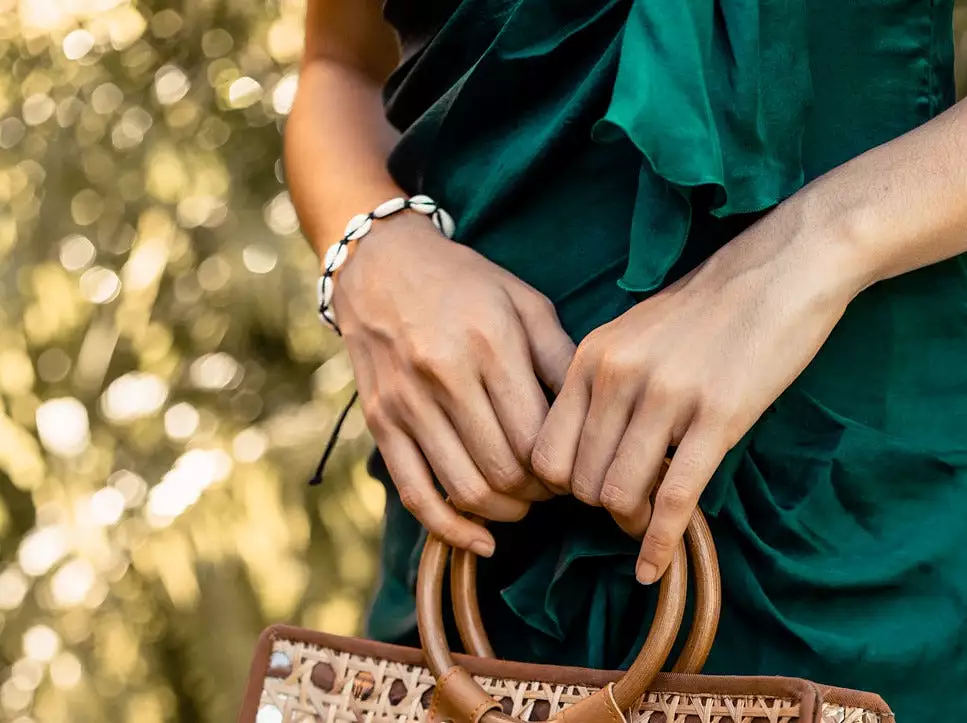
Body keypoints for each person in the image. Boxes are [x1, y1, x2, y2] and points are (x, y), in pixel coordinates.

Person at [285, 0, 967, 717]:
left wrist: (814, 246)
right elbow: (339, 67)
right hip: (471, 539)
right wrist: (370, 253)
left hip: (852, 520)